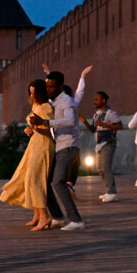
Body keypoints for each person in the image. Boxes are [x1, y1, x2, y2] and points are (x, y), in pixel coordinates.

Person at [0, 79, 55, 229]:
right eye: (30, 92)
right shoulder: (35, 106)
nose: (32, 95)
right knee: (27, 177)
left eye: (34, 92)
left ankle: (45, 216)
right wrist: (29, 130)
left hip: (43, 145)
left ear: (40, 93)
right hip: (34, 144)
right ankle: (38, 213)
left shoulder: (46, 107)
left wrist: (37, 128)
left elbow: (50, 130)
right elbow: (36, 127)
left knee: (36, 179)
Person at [35, 70, 86, 231]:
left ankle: (76, 220)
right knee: (46, 182)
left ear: (60, 87)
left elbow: (71, 120)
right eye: (47, 86)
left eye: (51, 87)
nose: (48, 89)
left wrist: (47, 122)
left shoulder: (67, 101)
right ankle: (57, 217)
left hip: (69, 145)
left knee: (58, 182)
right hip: (60, 145)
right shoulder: (55, 101)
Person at [81, 90, 123, 203]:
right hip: (98, 144)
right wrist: (84, 121)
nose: (94, 102)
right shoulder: (96, 114)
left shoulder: (111, 113)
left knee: (106, 168)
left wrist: (104, 124)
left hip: (108, 142)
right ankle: (108, 191)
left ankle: (113, 192)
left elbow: (120, 126)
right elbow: (93, 129)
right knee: (100, 169)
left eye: (97, 99)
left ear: (103, 100)